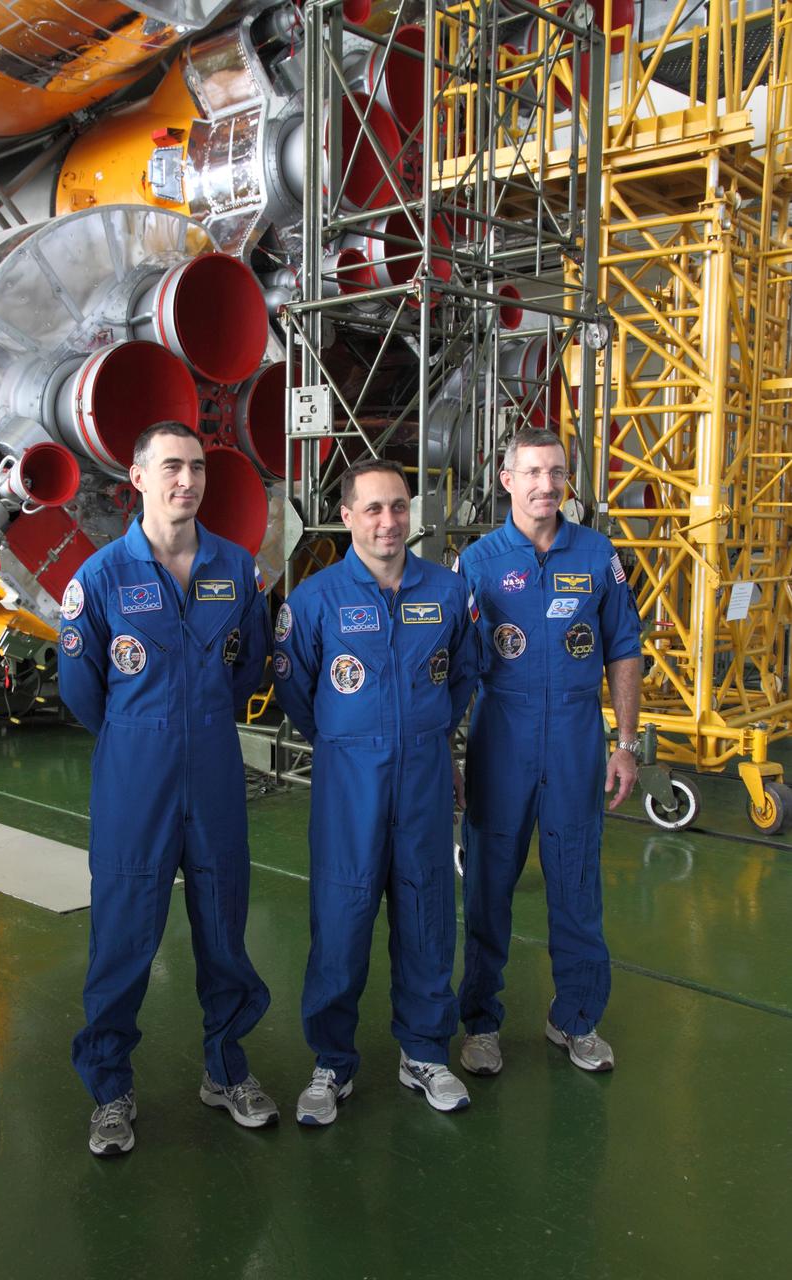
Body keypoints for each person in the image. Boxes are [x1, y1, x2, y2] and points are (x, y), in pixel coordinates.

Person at [58, 422, 277, 1157]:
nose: (187, 480)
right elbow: (82, 689)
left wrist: (197, 723)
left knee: (223, 930)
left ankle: (226, 1070)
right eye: (172, 467)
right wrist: (142, 733)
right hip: (135, 775)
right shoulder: (100, 579)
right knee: (123, 939)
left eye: (198, 467)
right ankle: (110, 1089)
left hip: (213, 769)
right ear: (138, 477)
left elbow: (246, 669)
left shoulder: (236, 569)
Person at [273, 459, 479, 1124]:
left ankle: (424, 1052)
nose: (388, 521)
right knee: (341, 920)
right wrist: (347, 739)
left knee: (426, 916)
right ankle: (331, 1063)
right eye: (373, 508)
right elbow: (296, 689)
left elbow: (462, 674)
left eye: (397, 506)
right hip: (348, 782)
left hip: (422, 778)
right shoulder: (314, 600)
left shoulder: (447, 592)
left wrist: (426, 736)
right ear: (346, 516)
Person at [456, 426, 642, 1076]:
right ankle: (481, 1023)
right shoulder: (478, 561)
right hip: (499, 738)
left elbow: (623, 647)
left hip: (573, 737)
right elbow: (453, 662)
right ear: (506, 479)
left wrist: (626, 743)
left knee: (576, 882)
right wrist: (447, 751)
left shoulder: (596, 554)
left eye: (556, 472)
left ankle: (576, 1019)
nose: (545, 485)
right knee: (487, 887)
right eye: (532, 472)